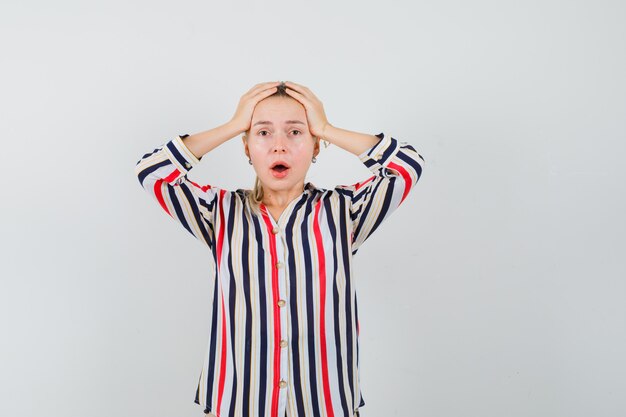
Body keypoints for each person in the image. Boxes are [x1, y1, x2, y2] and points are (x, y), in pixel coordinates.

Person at [134, 81, 425, 417]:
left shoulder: (345, 211)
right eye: (263, 133)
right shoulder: (219, 212)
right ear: (246, 147)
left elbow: (406, 166)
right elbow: (153, 171)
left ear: (316, 146)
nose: (279, 147)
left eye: (296, 132)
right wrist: (233, 126)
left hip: (325, 406)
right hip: (238, 405)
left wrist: (326, 128)